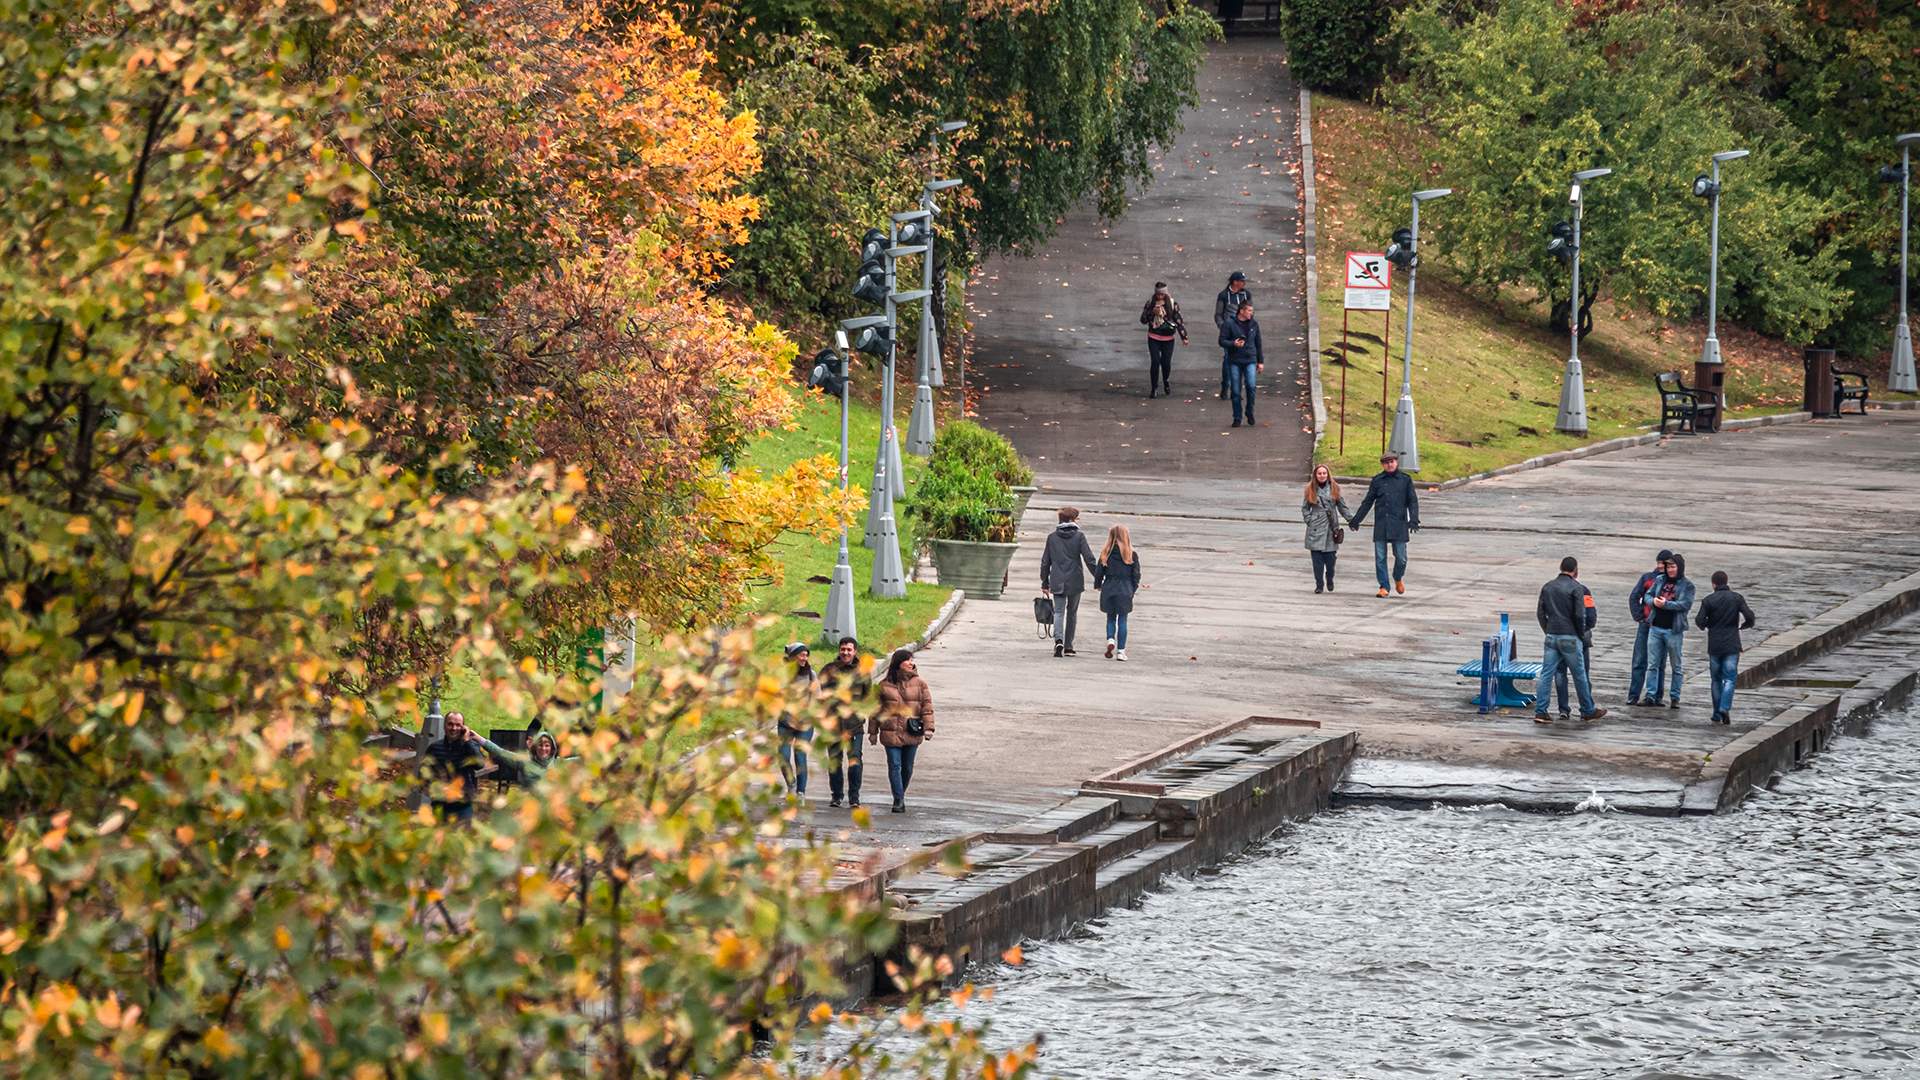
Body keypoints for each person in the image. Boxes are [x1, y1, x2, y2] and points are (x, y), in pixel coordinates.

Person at [1534, 556, 1606, 723]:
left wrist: (1548, 630)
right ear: (1576, 570)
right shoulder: (1577, 588)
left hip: (1552, 635)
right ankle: (1587, 710)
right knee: (1579, 675)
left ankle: (1541, 711)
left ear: (1560, 567)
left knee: (1546, 674)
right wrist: (1580, 634)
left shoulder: (1547, 587)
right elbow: (1580, 615)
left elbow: (1540, 613)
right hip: (1570, 636)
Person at [1345, 452, 1421, 598]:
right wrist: (1356, 520)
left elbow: (1412, 501)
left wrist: (1414, 519)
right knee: (1380, 557)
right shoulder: (1377, 480)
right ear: (1382, 465)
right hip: (1382, 524)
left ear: (1396, 462)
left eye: (1391, 461)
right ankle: (1384, 586)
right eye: (1386, 462)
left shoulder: (1405, 480)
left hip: (1399, 524)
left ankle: (1397, 577)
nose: (1389, 464)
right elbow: (1368, 502)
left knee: (1401, 558)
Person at [871, 649, 934, 813]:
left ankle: (900, 793)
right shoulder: (884, 685)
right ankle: (898, 799)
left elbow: (927, 708)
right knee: (894, 765)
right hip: (890, 732)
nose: (911, 663)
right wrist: (872, 732)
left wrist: (928, 728)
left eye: (912, 660)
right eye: (908, 660)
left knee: (907, 768)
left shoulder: (920, 684)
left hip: (911, 731)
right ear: (899, 662)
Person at [1695, 571, 1757, 725]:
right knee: (1729, 678)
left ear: (1713, 584)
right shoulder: (1736, 598)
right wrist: (1745, 625)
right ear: (1726, 581)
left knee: (1716, 679)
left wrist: (1707, 625)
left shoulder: (1708, 600)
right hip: (1732, 643)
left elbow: (1699, 620)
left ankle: (1716, 713)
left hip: (1715, 645)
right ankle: (1725, 707)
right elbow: (1749, 616)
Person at [818, 636, 869, 808]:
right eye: (843, 649)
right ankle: (836, 795)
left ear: (855, 652)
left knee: (855, 762)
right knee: (834, 762)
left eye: (849, 649)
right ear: (839, 650)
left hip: (854, 726)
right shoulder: (828, 670)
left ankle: (854, 797)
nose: (845, 652)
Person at [1638, 552, 1695, 708]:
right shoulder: (1659, 580)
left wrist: (1666, 604)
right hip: (1655, 627)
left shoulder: (1687, 585)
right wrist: (1653, 602)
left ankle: (1675, 697)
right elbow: (1647, 596)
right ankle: (1650, 695)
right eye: (1668, 566)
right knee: (1653, 664)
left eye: (1673, 566)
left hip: (1673, 630)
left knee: (1676, 666)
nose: (1670, 570)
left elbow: (1685, 605)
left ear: (1680, 567)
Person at [1041, 506, 1099, 657]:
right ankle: (1068, 646)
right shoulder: (1079, 537)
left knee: (1058, 612)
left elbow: (1045, 562)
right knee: (1072, 613)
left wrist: (1044, 582)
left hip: (1057, 579)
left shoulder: (1052, 537)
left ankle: (1058, 641)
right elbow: (1089, 559)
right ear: (1073, 520)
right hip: (1075, 580)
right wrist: (1098, 577)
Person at [1625, 549, 1674, 706]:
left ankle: (1656, 696)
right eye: (1659, 563)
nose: (1660, 566)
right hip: (1646, 625)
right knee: (1640, 660)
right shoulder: (1648, 578)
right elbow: (1634, 596)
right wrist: (1639, 616)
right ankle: (1634, 695)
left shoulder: (1673, 581)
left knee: (1660, 663)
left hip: (1663, 626)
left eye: (1663, 564)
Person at [424, 710, 487, 823]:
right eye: (450, 724)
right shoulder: (434, 748)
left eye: (458, 725)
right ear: (444, 726)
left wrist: (467, 741)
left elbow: (480, 764)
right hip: (440, 805)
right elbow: (423, 774)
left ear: (463, 727)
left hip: (463, 806)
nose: (454, 728)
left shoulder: (470, 746)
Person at [1094, 524, 1141, 661]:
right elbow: (1136, 575)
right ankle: (1121, 651)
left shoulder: (1105, 553)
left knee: (1110, 617)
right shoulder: (1131, 554)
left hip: (1109, 587)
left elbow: (1098, 573)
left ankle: (1110, 640)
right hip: (1125, 588)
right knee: (1123, 619)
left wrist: (1098, 585)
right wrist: (1133, 589)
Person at [1301, 464, 1350, 594]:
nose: (1322, 475)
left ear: (1328, 475)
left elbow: (1342, 506)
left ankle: (1330, 578)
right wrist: (1309, 520)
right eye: (1319, 473)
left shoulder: (1335, 488)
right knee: (1317, 561)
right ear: (1315, 475)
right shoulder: (1310, 489)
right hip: (1316, 528)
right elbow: (1305, 508)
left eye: (1324, 473)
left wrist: (1351, 520)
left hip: (1331, 528)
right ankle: (1319, 584)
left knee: (1330, 560)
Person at [1216, 301, 1264, 427]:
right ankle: (1237, 416)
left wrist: (1260, 361)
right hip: (1235, 360)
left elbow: (1258, 343)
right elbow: (1221, 341)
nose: (1251, 313)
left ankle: (1250, 411)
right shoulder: (1229, 324)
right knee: (1236, 391)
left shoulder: (1254, 324)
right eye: (1249, 311)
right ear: (1241, 311)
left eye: (1252, 311)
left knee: (1251, 386)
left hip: (1250, 359)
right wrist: (1233, 344)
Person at [777, 642, 815, 797]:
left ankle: (801, 792)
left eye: (806, 655)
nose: (804, 658)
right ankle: (790, 783)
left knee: (800, 756)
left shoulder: (811, 675)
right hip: (785, 722)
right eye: (801, 655)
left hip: (804, 724)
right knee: (783, 756)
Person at [1140, 283, 1188, 398]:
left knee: (1166, 363)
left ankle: (1166, 380)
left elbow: (1178, 321)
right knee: (1155, 362)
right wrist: (1152, 312)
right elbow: (1143, 320)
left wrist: (1184, 336)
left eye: (1162, 294)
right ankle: (1154, 387)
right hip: (1154, 337)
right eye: (1158, 294)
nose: (1160, 296)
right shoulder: (1150, 303)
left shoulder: (1172, 304)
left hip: (1168, 338)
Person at [1213, 271, 1252, 399]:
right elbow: (1218, 314)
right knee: (1228, 359)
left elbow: (1250, 312)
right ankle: (1225, 386)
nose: (1244, 283)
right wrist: (1223, 326)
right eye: (1242, 281)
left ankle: (1236, 390)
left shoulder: (1246, 294)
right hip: (1229, 332)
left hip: (1243, 331)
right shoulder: (1223, 295)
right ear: (1234, 282)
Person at [475, 729, 560, 787]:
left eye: (547, 745)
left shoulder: (559, 764)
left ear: (552, 748)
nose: (543, 748)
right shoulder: (524, 761)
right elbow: (500, 752)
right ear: (535, 747)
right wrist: (478, 738)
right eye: (540, 745)